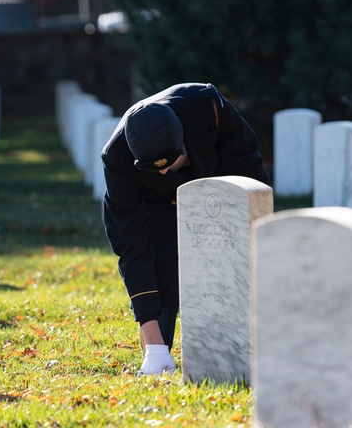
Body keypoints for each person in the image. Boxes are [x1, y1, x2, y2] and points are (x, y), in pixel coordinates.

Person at [101, 82, 269, 375]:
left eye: (168, 161)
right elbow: (131, 245)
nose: (164, 171)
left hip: (218, 180)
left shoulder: (208, 107)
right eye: (155, 167)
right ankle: (156, 349)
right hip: (154, 202)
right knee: (160, 261)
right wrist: (154, 344)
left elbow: (247, 165)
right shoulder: (117, 160)